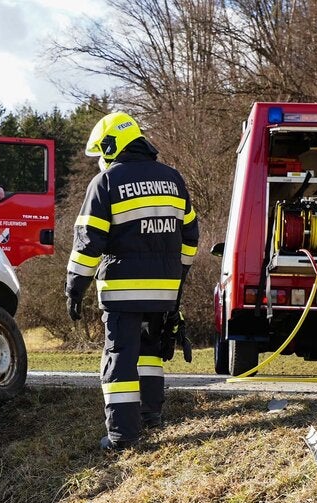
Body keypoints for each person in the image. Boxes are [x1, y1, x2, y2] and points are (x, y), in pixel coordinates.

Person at [65, 111, 199, 451]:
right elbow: (191, 237)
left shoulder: (107, 182)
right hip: (165, 289)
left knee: (120, 356)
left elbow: (88, 242)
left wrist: (75, 287)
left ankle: (123, 435)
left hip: (123, 290)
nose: (101, 161)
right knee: (150, 354)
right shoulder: (173, 179)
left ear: (111, 146)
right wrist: (177, 279)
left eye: (101, 153)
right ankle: (150, 414)